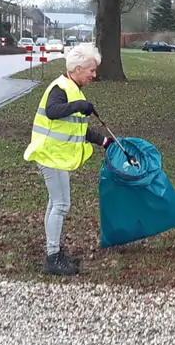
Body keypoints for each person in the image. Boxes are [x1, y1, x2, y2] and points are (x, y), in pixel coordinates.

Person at [24, 44, 112, 275]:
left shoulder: (73, 89)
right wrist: (79, 105)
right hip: (49, 155)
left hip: (55, 155)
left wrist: (102, 141)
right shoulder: (60, 88)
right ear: (78, 68)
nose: (94, 74)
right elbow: (53, 111)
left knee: (56, 204)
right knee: (61, 205)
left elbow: (74, 129)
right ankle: (53, 258)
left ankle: (54, 252)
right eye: (91, 70)